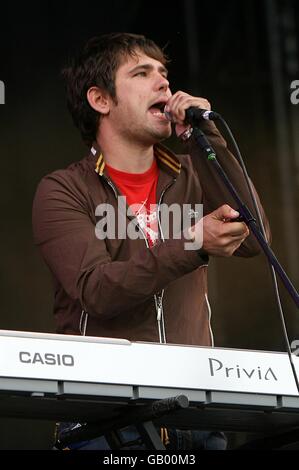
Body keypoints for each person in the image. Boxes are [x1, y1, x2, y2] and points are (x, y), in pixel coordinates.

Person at [32, 33, 270, 450]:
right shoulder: (63, 190)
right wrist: (193, 243)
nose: (163, 83)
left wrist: (206, 135)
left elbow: (256, 239)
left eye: (163, 73)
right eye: (142, 74)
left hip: (195, 409)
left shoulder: (193, 173)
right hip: (105, 418)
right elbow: (98, 290)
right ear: (100, 100)